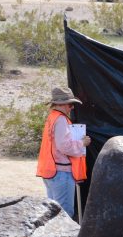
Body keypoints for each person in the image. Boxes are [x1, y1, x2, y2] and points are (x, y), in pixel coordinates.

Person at [36, 87, 91, 217]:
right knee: (63, 215)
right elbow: (64, 146)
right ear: (62, 104)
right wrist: (82, 143)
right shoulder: (60, 119)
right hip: (61, 174)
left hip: (52, 173)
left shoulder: (52, 117)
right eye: (71, 104)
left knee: (53, 214)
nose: (72, 107)